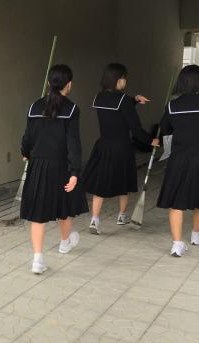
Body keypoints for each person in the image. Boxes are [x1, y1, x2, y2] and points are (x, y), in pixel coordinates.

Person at [20, 64, 88, 274]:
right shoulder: (71, 109)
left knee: (38, 214)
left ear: (49, 83)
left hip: (38, 165)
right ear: (69, 84)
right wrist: (75, 172)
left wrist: (25, 152)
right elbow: (73, 143)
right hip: (62, 166)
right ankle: (64, 243)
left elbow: (27, 137)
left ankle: (37, 259)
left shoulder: (34, 107)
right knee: (64, 207)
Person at [82, 63, 158, 234]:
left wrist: (135, 99)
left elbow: (116, 105)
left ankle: (94, 219)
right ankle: (122, 216)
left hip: (103, 145)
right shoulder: (123, 100)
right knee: (124, 181)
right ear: (118, 79)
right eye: (124, 78)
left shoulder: (99, 97)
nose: (125, 81)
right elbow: (135, 128)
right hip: (122, 146)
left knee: (101, 182)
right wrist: (150, 140)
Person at [157, 64, 199, 257]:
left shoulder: (172, 106)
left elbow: (165, 129)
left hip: (179, 160)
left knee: (177, 201)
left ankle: (177, 244)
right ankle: (196, 235)